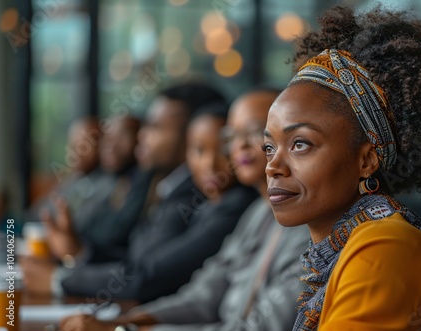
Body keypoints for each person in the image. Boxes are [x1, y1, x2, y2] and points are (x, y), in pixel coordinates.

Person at [262, 6, 421, 331]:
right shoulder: (350, 244)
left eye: (301, 143)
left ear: (367, 160)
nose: (273, 165)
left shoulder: (383, 247)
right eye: (269, 147)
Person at [58, 89, 310, 331]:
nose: (242, 146)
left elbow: (255, 329)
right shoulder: (257, 212)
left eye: (256, 133)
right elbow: (203, 296)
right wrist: (126, 323)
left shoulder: (295, 223)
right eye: (232, 136)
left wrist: (122, 330)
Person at [21, 83, 257, 303]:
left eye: (155, 127)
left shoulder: (215, 200)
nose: (141, 137)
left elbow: (149, 275)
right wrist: (78, 250)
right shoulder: (164, 186)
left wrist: (59, 279)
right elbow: (136, 261)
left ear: (188, 136)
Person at [43, 115, 152, 265]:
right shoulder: (113, 180)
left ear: (141, 139)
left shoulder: (141, 181)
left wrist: (74, 241)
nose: (111, 144)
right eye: (108, 137)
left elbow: (111, 238)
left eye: (123, 135)